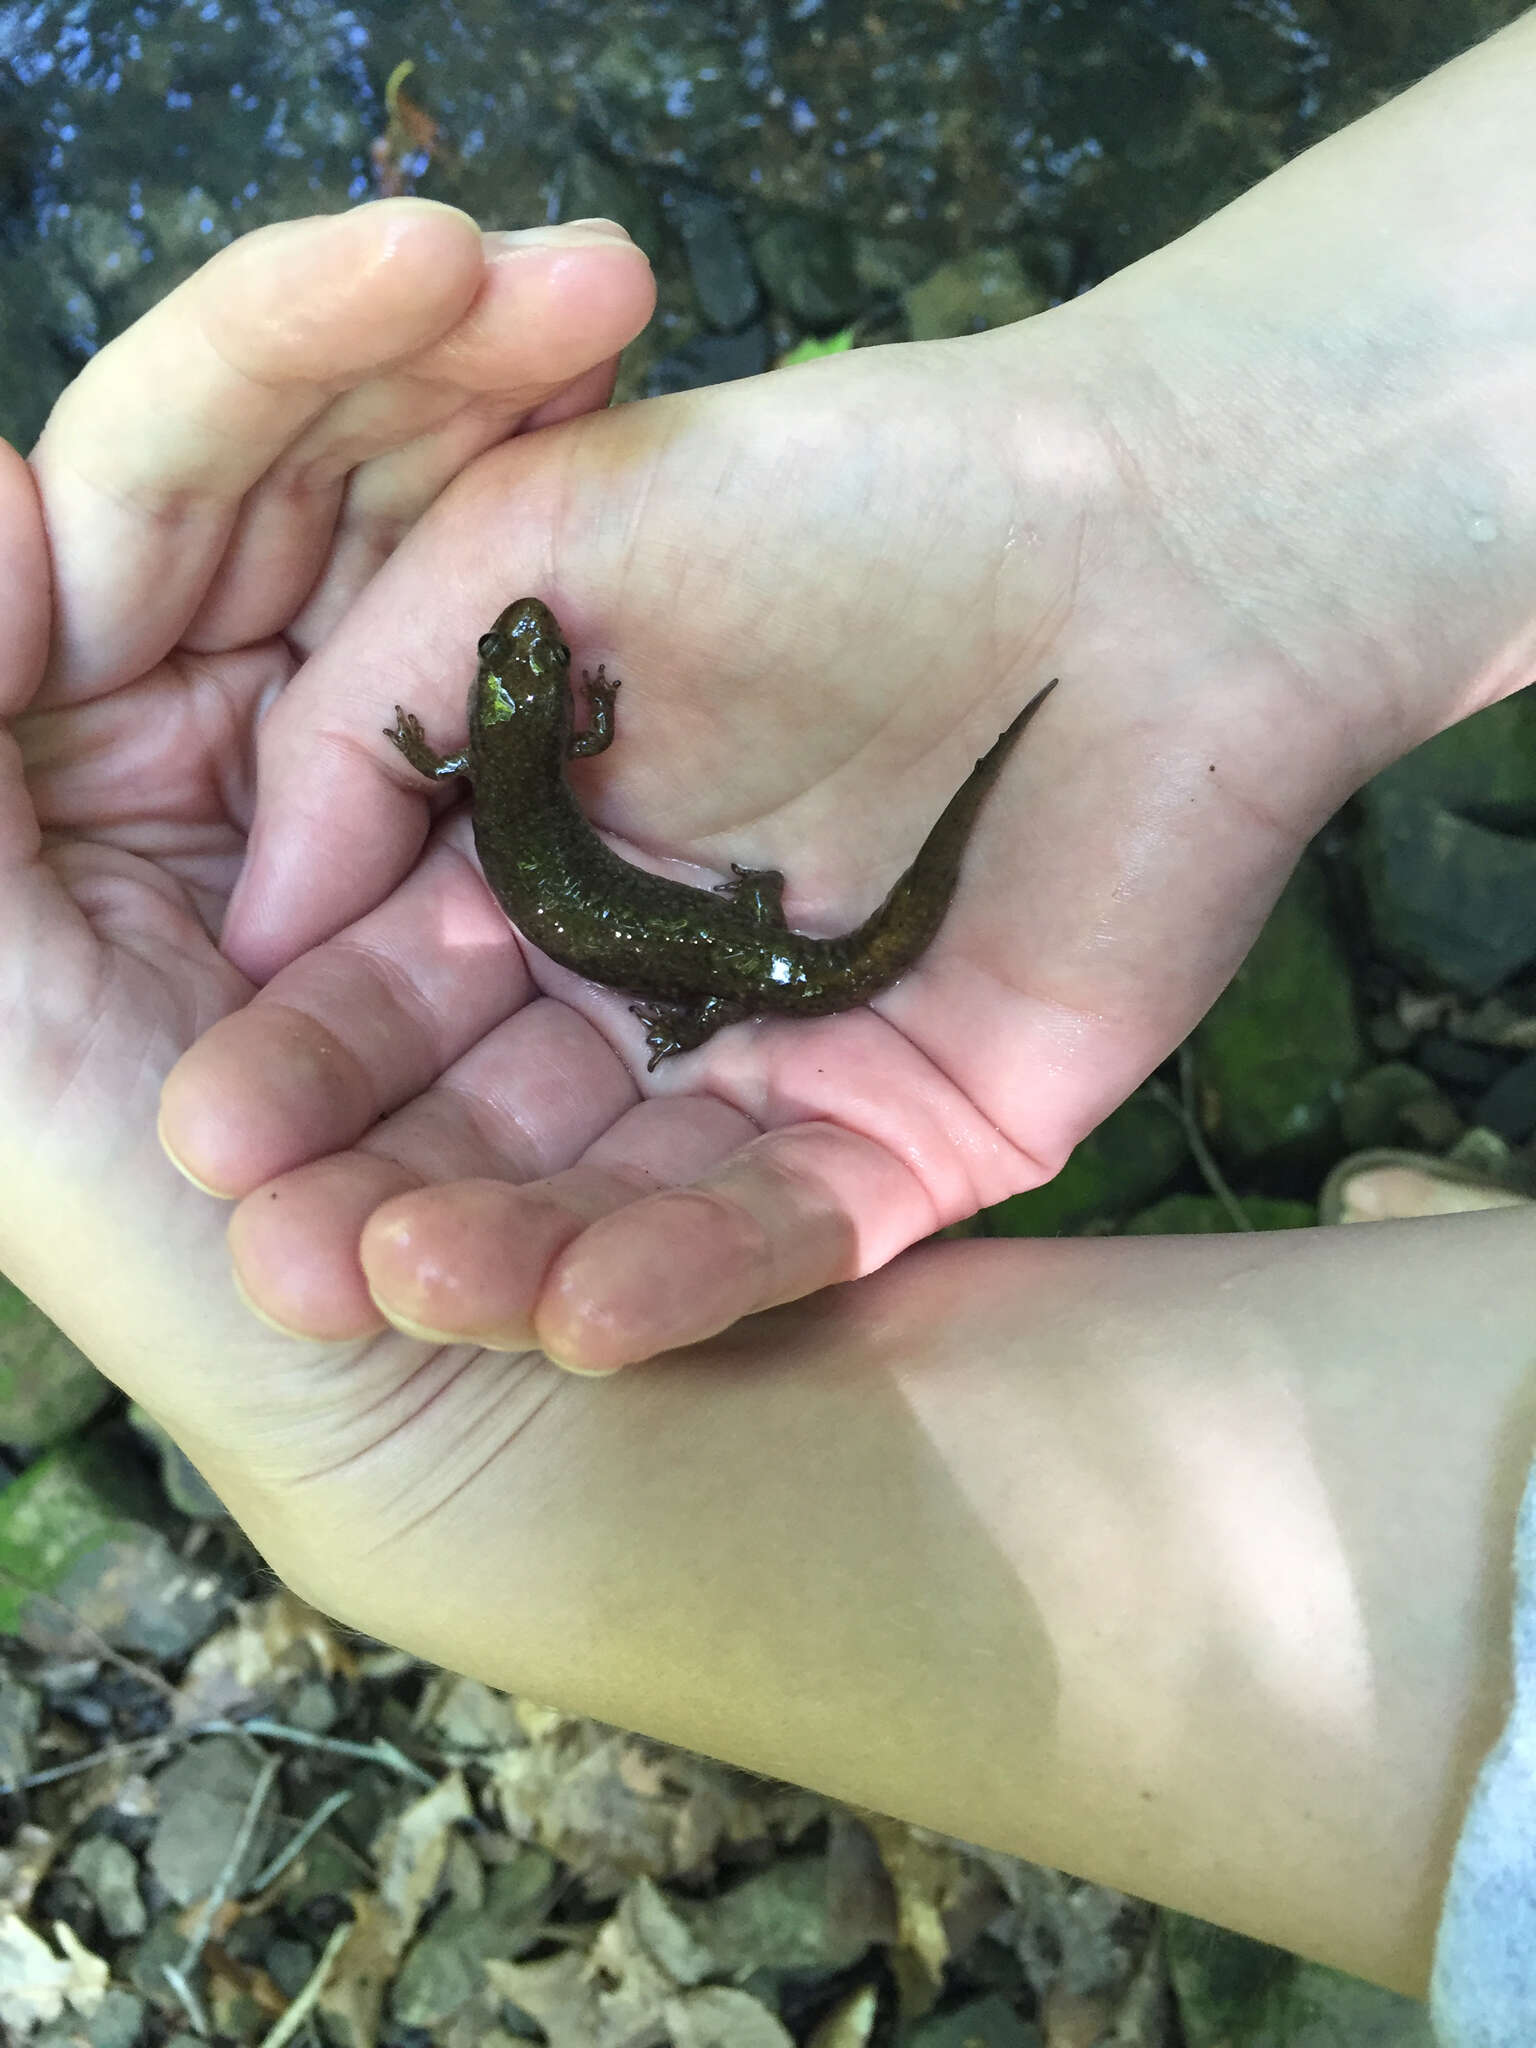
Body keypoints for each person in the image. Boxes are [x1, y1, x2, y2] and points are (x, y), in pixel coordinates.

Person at [4, 10, 1536, 2039]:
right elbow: (516, 767)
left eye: (519, 668)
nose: (531, 663)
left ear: (501, 712)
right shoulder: (524, 766)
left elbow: (469, 775)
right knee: (775, 949)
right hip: (713, 945)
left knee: (763, 955)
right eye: (528, 668)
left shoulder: (484, 768)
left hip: (700, 956)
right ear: (526, 706)